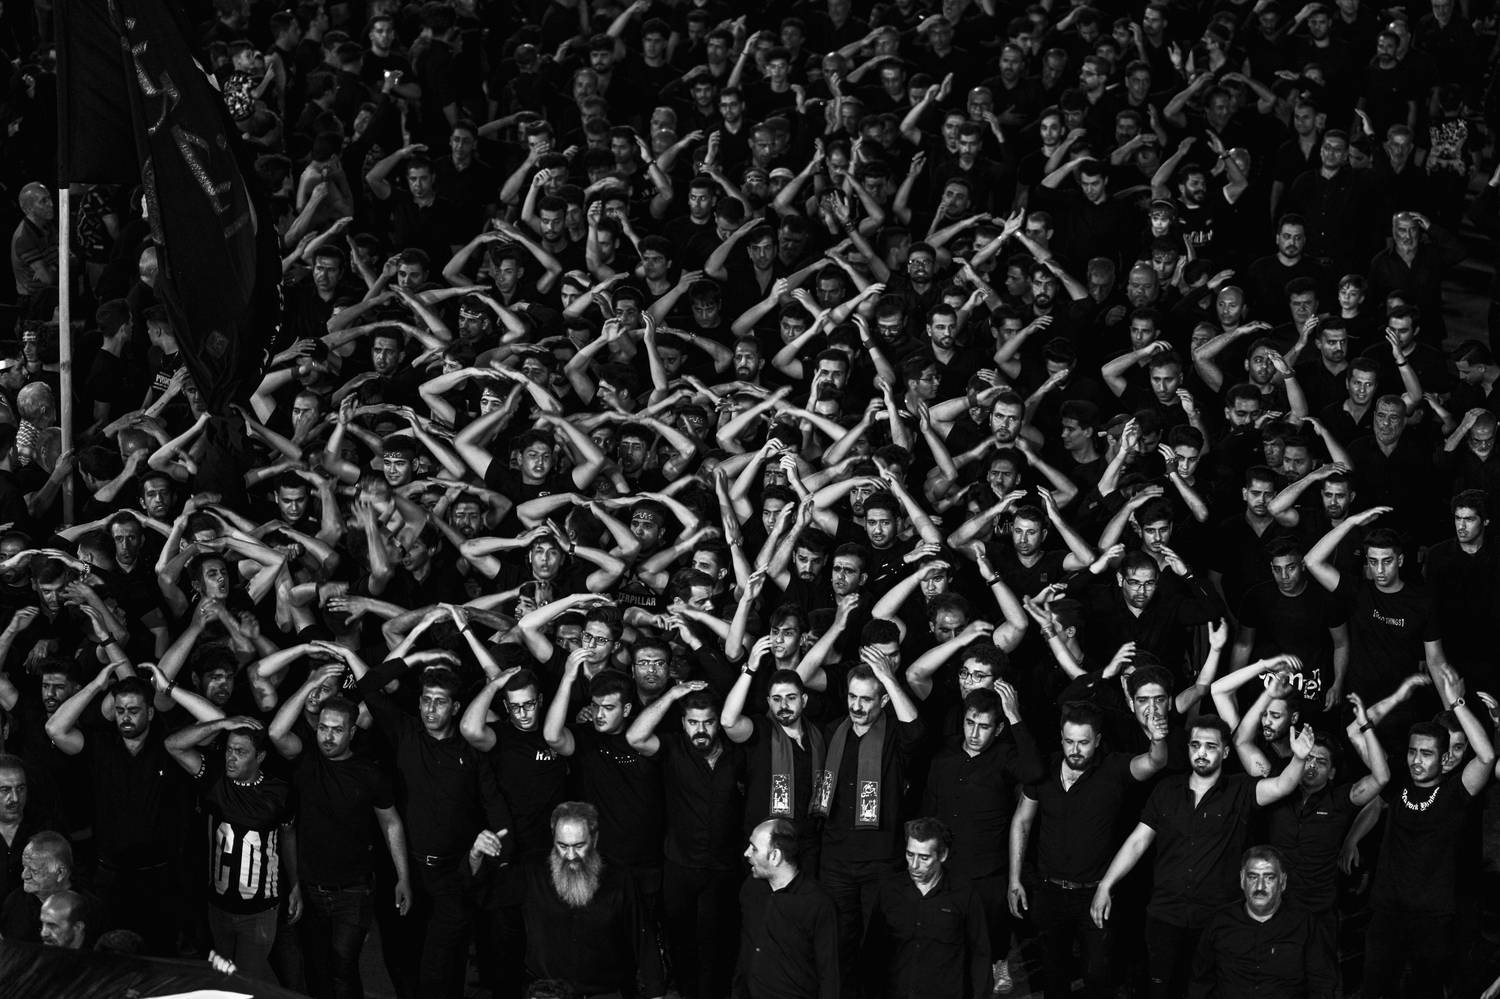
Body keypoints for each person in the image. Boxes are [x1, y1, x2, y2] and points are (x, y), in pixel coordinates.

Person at [1089, 716, 1314, 999]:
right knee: (1161, 990)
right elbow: (1137, 841)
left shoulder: (1241, 789)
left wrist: (1299, 759)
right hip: (1165, 915)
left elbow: (1281, 786)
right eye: (1195, 745)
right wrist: (1106, 884)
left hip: (1217, 919)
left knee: (1211, 991)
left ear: (1225, 752)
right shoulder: (1166, 789)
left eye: (1210, 746)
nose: (1202, 752)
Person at [1010, 700, 1169, 999]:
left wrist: (1158, 739)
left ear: (1097, 740)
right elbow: (1022, 821)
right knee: (1053, 977)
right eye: (1069, 741)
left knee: (1098, 977)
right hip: (1048, 891)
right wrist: (1014, 878)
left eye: (1083, 743)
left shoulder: (1114, 768)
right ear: (1061, 738)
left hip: (1095, 894)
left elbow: (1153, 762)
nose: (1075, 750)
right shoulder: (1043, 769)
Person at [499, 800, 665, 999]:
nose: (570, 856)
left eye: (579, 846)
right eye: (562, 846)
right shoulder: (532, 873)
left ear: (594, 839)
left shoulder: (620, 878)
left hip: (605, 992)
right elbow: (484, 893)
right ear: (553, 838)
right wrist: (475, 858)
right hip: (547, 992)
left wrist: (656, 994)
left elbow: (643, 939)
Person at [861, 817, 991, 999]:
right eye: (910, 854)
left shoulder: (963, 894)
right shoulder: (889, 891)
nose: (914, 865)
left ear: (942, 855)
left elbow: (980, 956)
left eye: (924, 858)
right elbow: (872, 954)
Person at [1189, 846, 1337, 999]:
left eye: (1269, 878)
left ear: (1282, 882)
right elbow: (1200, 983)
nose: (1260, 886)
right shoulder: (1220, 922)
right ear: (1242, 880)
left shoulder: (1305, 925)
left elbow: (1322, 984)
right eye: (1253, 877)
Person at [735, 817, 840, 999]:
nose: (746, 853)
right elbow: (745, 955)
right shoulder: (751, 889)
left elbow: (829, 975)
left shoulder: (817, 904)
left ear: (775, 856)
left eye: (754, 848)